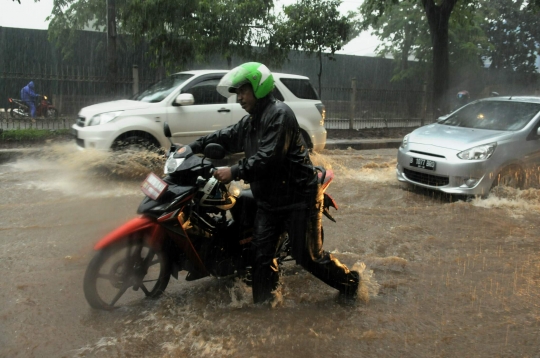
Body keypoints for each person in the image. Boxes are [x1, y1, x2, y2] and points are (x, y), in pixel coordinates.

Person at [188, 62, 363, 305]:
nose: (238, 98)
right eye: (237, 93)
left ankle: (351, 283)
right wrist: (193, 146)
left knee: (308, 257)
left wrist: (234, 170)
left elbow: (268, 158)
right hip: (270, 200)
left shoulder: (280, 115)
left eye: (243, 91)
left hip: (299, 198)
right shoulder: (253, 120)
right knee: (261, 256)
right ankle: (264, 307)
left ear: (259, 88)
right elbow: (227, 135)